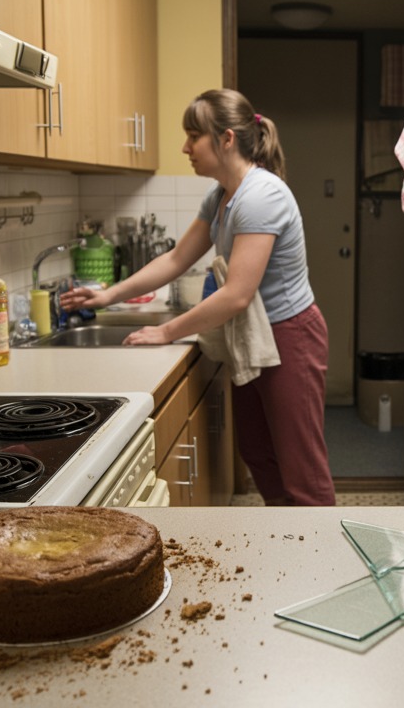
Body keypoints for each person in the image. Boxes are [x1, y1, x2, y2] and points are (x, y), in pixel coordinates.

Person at [61, 89, 334, 506]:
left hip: (288, 337)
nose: (184, 147)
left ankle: (324, 563)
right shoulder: (221, 195)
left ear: (226, 139)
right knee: (259, 456)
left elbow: (237, 295)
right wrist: (107, 296)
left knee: (301, 471)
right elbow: (175, 258)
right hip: (252, 337)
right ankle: (292, 548)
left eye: (194, 136)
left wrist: (166, 330)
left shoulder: (262, 195)